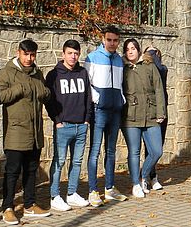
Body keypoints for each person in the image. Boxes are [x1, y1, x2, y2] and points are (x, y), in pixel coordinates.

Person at [0, 39, 52, 224]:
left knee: (31, 170)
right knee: (12, 171)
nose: (29, 58)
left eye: (32, 55)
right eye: (26, 54)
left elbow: (47, 94)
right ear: (18, 52)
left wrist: (43, 92)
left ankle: (29, 205)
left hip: (35, 132)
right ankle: (7, 208)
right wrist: (18, 89)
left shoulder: (37, 73)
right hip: (16, 132)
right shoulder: (7, 73)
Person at [45, 39, 93, 211]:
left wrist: (87, 119)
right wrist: (57, 121)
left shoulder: (82, 73)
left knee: (77, 161)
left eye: (76, 53)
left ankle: (72, 194)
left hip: (81, 125)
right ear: (63, 54)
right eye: (70, 53)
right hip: (63, 126)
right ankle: (54, 195)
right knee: (59, 161)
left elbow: (88, 96)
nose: (73, 57)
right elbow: (49, 100)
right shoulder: (54, 75)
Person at [83, 26, 127, 206]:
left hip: (115, 110)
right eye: (109, 40)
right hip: (99, 110)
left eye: (115, 40)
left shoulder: (119, 60)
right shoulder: (92, 57)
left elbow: (121, 83)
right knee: (94, 150)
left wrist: (121, 99)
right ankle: (93, 191)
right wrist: (97, 99)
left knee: (111, 151)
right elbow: (87, 84)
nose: (112, 43)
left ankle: (109, 188)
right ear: (103, 39)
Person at [121, 39, 166, 198]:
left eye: (133, 48)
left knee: (156, 151)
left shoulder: (149, 65)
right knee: (134, 152)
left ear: (139, 50)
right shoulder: (122, 68)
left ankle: (143, 175)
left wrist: (161, 112)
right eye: (127, 49)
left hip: (151, 114)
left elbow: (159, 89)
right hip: (130, 117)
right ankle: (135, 184)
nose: (130, 51)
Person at [143, 45, 168, 189]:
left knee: (157, 147)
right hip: (149, 113)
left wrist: (153, 53)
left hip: (162, 112)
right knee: (149, 147)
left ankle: (151, 175)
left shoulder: (162, 69)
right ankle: (147, 176)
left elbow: (159, 68)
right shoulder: (144, 70)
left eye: (154, 53)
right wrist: (151, 53)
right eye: (149, 53)